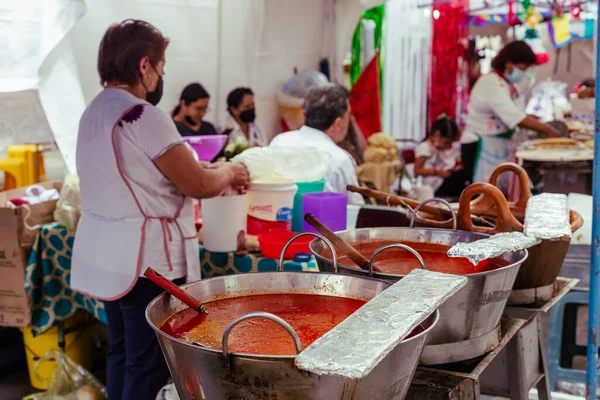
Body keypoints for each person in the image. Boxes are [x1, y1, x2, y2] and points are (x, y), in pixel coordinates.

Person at [71, 20, 249, 400]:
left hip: (107, 254)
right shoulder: (143, 116)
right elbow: (197, 184)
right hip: (147, 261)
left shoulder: (93, 112)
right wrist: (231, 170)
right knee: (147, 365)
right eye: (162, 65)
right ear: (144, 65)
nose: (163, 74)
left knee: (121, 352)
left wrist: (215, 170)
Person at [462, 40, 560, 187]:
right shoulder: (491, 82)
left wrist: (533, 120)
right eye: (522, 68)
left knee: (498, 196)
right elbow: (515, 117)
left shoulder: (509, 85)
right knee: (483, 195)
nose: (524, 72)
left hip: (498, 145)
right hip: (480, 146)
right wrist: (547, 129)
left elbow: (517, 113)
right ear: (508, 63)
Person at [270, 84, 365, 204]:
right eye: (348, 115)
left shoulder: (279, 142)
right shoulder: (340, 159)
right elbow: (355, 210)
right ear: (338, 124)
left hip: (279, 220)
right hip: (321, 222)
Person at [414, 116, 466, 197]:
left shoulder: (441, 148)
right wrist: (437, 172)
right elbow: (417, 170)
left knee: (463, 176)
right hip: (434, 186)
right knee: (461, 178)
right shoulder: (425, 148)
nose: (448, 146)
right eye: (447, 143)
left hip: (443, 180)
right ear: (436, 135)